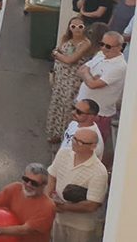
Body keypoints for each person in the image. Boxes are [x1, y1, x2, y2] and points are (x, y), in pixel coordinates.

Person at [46, 128, 108, 241]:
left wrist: (64, 207)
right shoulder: (63, 153)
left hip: (81, 227)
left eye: (80, 142)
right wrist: (48, 197)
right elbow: (52, 174)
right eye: (74, 139)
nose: (74, 143)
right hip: (59, 219)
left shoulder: (99, 172)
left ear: (93, 146)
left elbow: (92, 205)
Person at [75, 30, 126, 161]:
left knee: (90, 149)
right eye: (102, 44)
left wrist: (88, 75)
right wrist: (90, 77)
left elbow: (93, 84)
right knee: (75, 140)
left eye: (108, 46)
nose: (104, 48)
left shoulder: (119, 67)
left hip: (98, 114)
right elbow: (81, 70)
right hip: (82, 107)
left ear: (120, 47)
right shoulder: (99, 55)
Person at [44, 16, 93, 143]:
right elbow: (58, 50)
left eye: (80, 26)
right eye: (73, 26)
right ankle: (55, 133)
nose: (77, 29)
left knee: (67, 108)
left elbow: (70, 60)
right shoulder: (66, 39)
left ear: (84, 28)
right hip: (60, 77)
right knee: (57, 104)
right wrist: (57, 55)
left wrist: (56, 54)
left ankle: (65, 136)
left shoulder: (86, 43)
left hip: (72, 80)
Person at [0, 164, 55, 242]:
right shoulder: (15, 188)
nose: (28, 184)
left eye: (34, 183)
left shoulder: (47, 207)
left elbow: (24, 230)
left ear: (43, 186)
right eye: (26, 179)